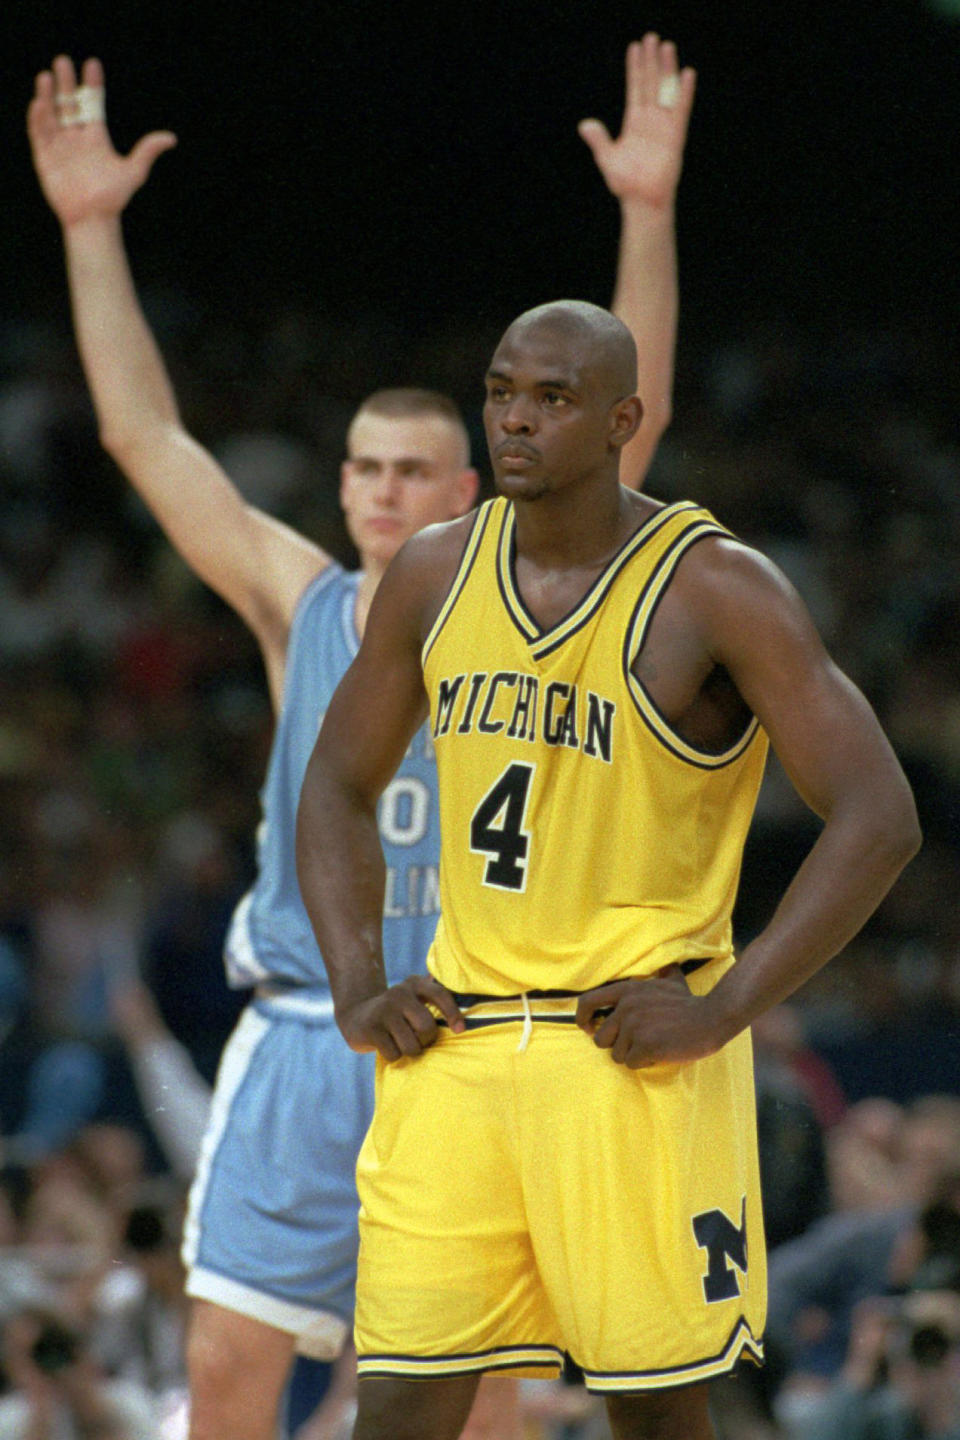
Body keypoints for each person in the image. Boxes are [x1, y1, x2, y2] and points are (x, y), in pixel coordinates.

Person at [26, 35, 696, 1440]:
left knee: (484, 1416)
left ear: (468, 486)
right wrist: (90, 230)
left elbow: (633, 436)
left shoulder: (525, 601)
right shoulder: (301, 601)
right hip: (305, 1034)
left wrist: (646, 209)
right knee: (226, 1379)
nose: (386, 494)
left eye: (413, 473)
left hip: (473, 1042)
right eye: (365, 470)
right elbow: (147, 436)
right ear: (339, 486)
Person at [295, 298, 921, 1440]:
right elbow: (334, 786)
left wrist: (724, 1007)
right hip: (458, 1053)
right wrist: (354, 982)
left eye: (553, 397)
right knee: (391, 1412)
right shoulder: (436, 572)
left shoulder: (716, 585)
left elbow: (880, 815)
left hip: (627, 1061)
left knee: (656, 1413)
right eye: (499, 392)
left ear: (624, 417)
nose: (515, 421)